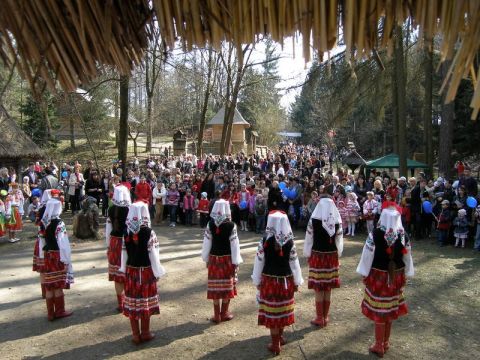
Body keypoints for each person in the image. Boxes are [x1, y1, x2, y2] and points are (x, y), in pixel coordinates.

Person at [356, 202, 414, 357]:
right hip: (396, 275)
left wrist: (364, 272)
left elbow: (367, 255)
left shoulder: (375, 234)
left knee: (380, 308)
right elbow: (407, 256)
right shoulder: (403, 234)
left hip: (378, 275)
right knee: (389, 307)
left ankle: (379, 344)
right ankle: (385, 342)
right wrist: (407, 273)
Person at [252, 210, 303, 355]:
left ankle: (275, 344)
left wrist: (256, 279)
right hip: (286, 281)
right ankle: (279, 337)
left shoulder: (264, 242)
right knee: (281, 310)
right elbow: (294, 263)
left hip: (269, 281)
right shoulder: (290, 242)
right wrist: (297, 280)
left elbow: (259, 262)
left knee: (273, 312)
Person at [120, 201, 166, 344]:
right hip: (146, 271)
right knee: (145, 301)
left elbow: (124, 253)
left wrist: (123, 269)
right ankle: (145, 333)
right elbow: (154, 254)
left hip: (131, 271)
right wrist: (157, 272)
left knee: (134, 302)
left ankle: (135, 334)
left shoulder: (126, 231)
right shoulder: (149, 232)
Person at [304, 195, 343, 328]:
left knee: (319, 288)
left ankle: (320, 317)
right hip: (332, 255)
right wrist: (338, 254)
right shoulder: (337, 221)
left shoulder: (313, 220)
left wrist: (307, 253)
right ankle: (325, 316)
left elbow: (309, 238)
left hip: (317, 255)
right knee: (328, 287)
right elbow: (339, 240)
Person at [201, 199, 242, 324]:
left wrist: (206, 258)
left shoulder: (210, 224)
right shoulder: (231, 225)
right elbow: (235, 245)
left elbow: (206, 243)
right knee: (226, 286)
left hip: (214, 258)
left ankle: (216, 315)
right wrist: (236, 261)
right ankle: (224, 313)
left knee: (215, 286)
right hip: (227, 259)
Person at [41, 194, 74, 321]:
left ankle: (50, 313)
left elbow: (43, 240)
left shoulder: (45, 222)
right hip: (57, 255)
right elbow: (63, 244)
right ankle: (60, 311)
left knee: (49, 283)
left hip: (47, 254)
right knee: (58, 284)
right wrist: (66, 260)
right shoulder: (59, 223)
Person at [105, 185, 131, 312]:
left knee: (117, 274)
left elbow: (108, 230)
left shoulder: (110, 209)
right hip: (126, 242)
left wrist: (108, 245)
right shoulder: (129, 209)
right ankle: (128, 300)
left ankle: (120, 303)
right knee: (127, 272)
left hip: (115, 242)